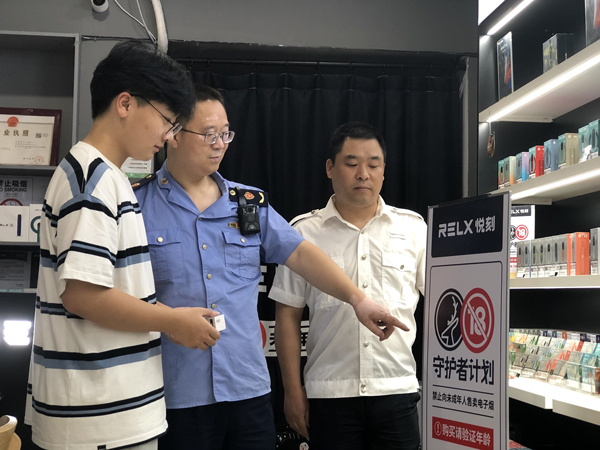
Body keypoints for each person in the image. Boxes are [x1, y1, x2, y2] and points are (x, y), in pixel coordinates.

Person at [133, 86, 407, 450]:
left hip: (247, 388)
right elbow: (120, 295)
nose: (220, 144)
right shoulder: (137, 205)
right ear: (174, 134)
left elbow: (302, 255)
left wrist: (358, 300)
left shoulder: (247, 204)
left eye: (226, 134)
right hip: (175, 391)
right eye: (210, 135)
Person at [25, 41, 222, 450]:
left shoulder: (103, 176)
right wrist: (172, 320)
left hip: (105, 413)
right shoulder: (92, 181)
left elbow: (101, 289)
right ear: (126, 103)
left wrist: (169, 317)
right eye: (167, 120)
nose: (169, 136)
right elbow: (83, 295)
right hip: (96, 417)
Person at [270, 122, 427, 450]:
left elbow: (443, 302)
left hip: (396, 388)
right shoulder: (304, 232)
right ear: (330, 168)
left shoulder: (414, 229)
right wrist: (292, 391)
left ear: (384, 170)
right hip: (330, 393)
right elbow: (287, 316)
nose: (363, 174)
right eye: (352, 163)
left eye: (373, 165)